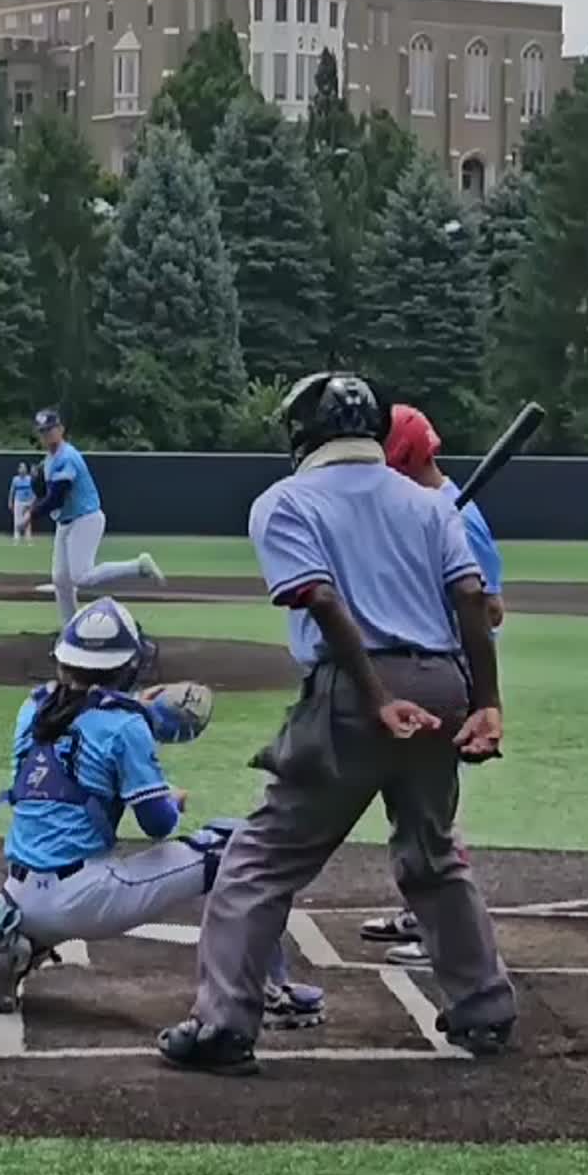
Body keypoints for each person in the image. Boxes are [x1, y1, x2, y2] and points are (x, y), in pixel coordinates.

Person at [158, 370, 517, 1077]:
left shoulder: (284, 502)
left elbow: (320, 599)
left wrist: (378, 694)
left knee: (260, 858)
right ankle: (485, 1006)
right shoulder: (428, 503)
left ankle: (223, 1023)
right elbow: (472, 598)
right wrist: (486, 700)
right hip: (445, 679)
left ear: (303, 433)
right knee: (433, 851)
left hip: (355, 691)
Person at [0, 595, 324, 1029]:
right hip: (86, 897)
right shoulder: (125, 726)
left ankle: (16, 945)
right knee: (240, 847)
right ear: (127, 666)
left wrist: (136, 708)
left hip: (16, 895)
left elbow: (79, 734)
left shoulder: (32, 709)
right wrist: (170, 796)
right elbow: (158, 824)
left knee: (46, 875)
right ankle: (269, 990)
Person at [360, 403, 506, 968]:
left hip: (452, 671)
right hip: (428, 666)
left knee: (433, 810)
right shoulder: (427, 509)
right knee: (415, 803)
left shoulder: (458, 517)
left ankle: (441, 930)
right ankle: (420, 909)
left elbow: (490, 609)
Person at [28, 408, 166, 627]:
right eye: (43, 431)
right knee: (61, 579)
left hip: (86, 519)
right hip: (66, 522)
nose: (47, 435)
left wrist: (32, 513)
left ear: (61, 429)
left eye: (50, 429)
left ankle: (139, 566)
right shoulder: (49, 459)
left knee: (81, 577)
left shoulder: (67, 458)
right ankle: (70, 628)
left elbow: (56, 497)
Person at [8, 461, 35, 541]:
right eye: (21, 468)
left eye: (24, 468)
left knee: (27, 519)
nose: (23, 469)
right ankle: (17, 536)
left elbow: (33, 491)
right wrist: (10, 501)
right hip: (18, 501)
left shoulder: (30, 479)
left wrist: (32, 502)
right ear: (18, 469)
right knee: (17, 519)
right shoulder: (15, 479)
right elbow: (12, 491)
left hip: (28, 502)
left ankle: (28, 537)